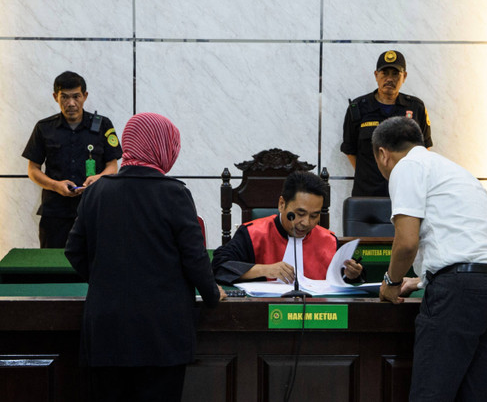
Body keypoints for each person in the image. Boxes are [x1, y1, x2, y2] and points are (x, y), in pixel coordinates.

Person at [65, 112, 225, 402]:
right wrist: (212, 294)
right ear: (163, 147)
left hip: (106, 329)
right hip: (161, 333)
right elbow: (194, 258)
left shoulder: (97, 191)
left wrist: (105, 279)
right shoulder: (174, 193)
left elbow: (73, 250)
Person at [373, 116, 487, 402]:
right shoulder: (454, 170)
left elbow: (406, 243)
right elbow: (464, 239)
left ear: (382, 154)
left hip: (460, 291)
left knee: (430, 394)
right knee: (472, 393)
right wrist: (423, 279)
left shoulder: (406, 167)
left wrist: (391, 282)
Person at [22, 71, 122, 248]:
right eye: (64, 97)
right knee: (52, 269)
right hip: (55, 214)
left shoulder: (103, 125)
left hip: (94, 210)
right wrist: (55, 185)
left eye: (76, 96)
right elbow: (33, 170)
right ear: (55, 97)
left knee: (95, 267)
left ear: (85, 96)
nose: (71, 103)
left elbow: (112, 165)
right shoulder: (44, 128)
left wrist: (98, 179)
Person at [212, 171, 363, 285]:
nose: (306, 223)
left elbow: (344, 280)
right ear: (282, 204)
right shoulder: (252, 234)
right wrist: (265, 269)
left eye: (314, 216)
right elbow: (219, 267)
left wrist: (351, 274)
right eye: (300, 213)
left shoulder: (328, 240)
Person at [341, 50, 432, 197]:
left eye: (395, 74)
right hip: (367, 194)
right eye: (385, 73)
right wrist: (371, 174)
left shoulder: (416, 108)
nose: (389, 79)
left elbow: (425, 148)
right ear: (376, 75)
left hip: (406, 192)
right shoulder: (358, 108)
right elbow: (350, 150)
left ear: (404, 77)